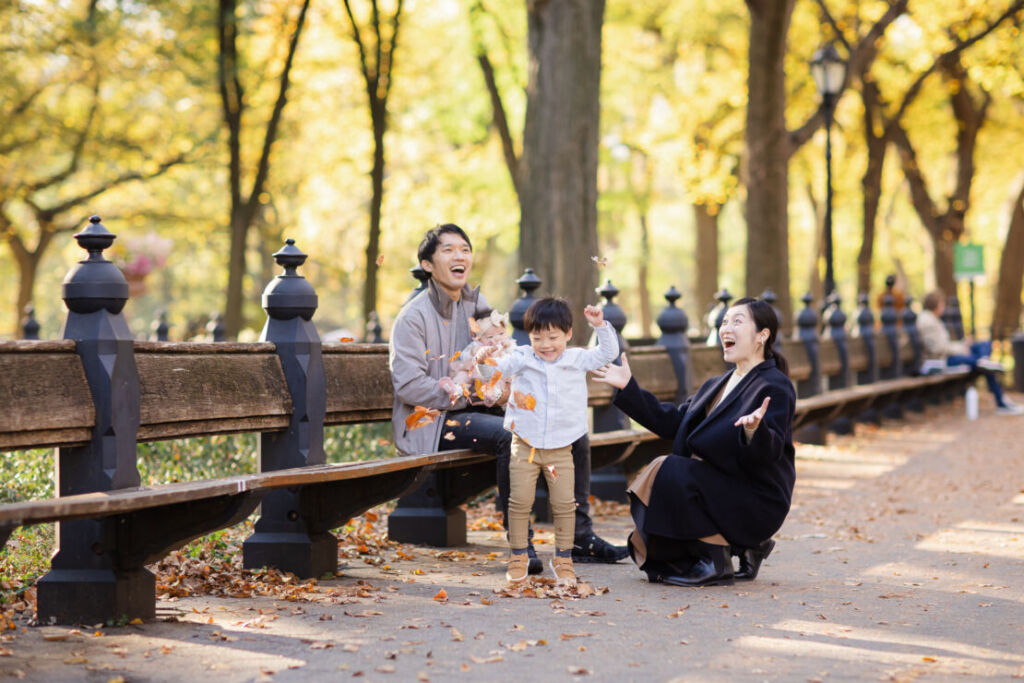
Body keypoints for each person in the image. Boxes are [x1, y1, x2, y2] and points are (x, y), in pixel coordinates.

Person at [388, 224, 629, 574]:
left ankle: (579, 535)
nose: (460, 256)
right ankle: (521, 544)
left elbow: (501, 357)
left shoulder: (476, 304)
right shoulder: (413, 317)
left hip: (477, 409)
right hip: (433, 419)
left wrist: (500, 387)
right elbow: (409, 386)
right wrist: (468, 391)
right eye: (448, 250)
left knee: (573, 430)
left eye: (465, 250)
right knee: (511, 434)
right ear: (427, 264)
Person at [591, 297, 796, 587]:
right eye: (725, 321)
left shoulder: (774, 384)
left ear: (762, 335)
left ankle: (717, 559)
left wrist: (754, 431)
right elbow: (673, 422)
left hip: (757, 498)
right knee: (668, 470)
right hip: (721, 487)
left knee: (671, 470)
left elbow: (771, 452)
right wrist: (628, 387)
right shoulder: (717, 384)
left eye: (737, 321)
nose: (727, 327)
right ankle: (742, 547)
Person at [476, 298, 618, 584]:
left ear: (567, 334)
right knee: (519, 502)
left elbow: (608, 352)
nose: (545, 344)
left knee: (565, 504)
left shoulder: (577, 358)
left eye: (553, 337)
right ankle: (518, 555)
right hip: (524, 445)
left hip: (561, 447)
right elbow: (495, 372)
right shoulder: (523, 358)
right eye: (537, 337)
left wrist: (600, 325)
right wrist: (483, 361)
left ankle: (563, 558)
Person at [917, 290, 1022, 416]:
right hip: (942, 360)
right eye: (942, 304)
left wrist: (963, 344)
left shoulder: (932, 319)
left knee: (984, 344)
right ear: (937, 304)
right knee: (984, 368)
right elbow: (938, 349)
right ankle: (1001, 401)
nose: (943, 307)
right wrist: (961, 348)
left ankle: (984, 360)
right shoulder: (927, 321)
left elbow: (943, 344)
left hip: (951, 354)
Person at [439, 309, 514, 406]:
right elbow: (463, 356)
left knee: (498, 381)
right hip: (475, 373)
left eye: (501, 333)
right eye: (490, 337)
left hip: (496, 373)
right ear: (479, 338)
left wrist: (507, 347)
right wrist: (472, 352)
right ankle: (456, 389)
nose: (497, 338)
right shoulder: (477, 345)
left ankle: (493, 395)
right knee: (463, 374)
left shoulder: (507, 345)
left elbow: (515, 356)